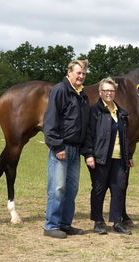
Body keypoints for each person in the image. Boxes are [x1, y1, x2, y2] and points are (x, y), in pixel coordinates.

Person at [43, 59, 90, 239]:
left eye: (83, 74)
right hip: (61, 149)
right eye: (78, 73)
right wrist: (57, 146)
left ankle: (65, 224)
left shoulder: (82, 95)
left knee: (71, 189)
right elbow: (51, 121)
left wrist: (85, 151)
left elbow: (84, 125)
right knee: (57, 188)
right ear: (69, 72)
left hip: (75, 150)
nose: (81, 76)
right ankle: (51, 226)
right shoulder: (60, 90)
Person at [81, 77, 134, 235]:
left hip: (119, 158)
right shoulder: (93, 111)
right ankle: (98, 221)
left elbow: (126, 137)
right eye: (106, 90)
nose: (109, 93)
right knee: (99, 189)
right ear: (100, 92)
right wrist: (89, 155)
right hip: (100, 157)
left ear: (115, 92)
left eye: (111, 90)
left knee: (118, 188)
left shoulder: (122, 113)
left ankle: (117, 222)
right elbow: (88, 135)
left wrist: (128, 155)